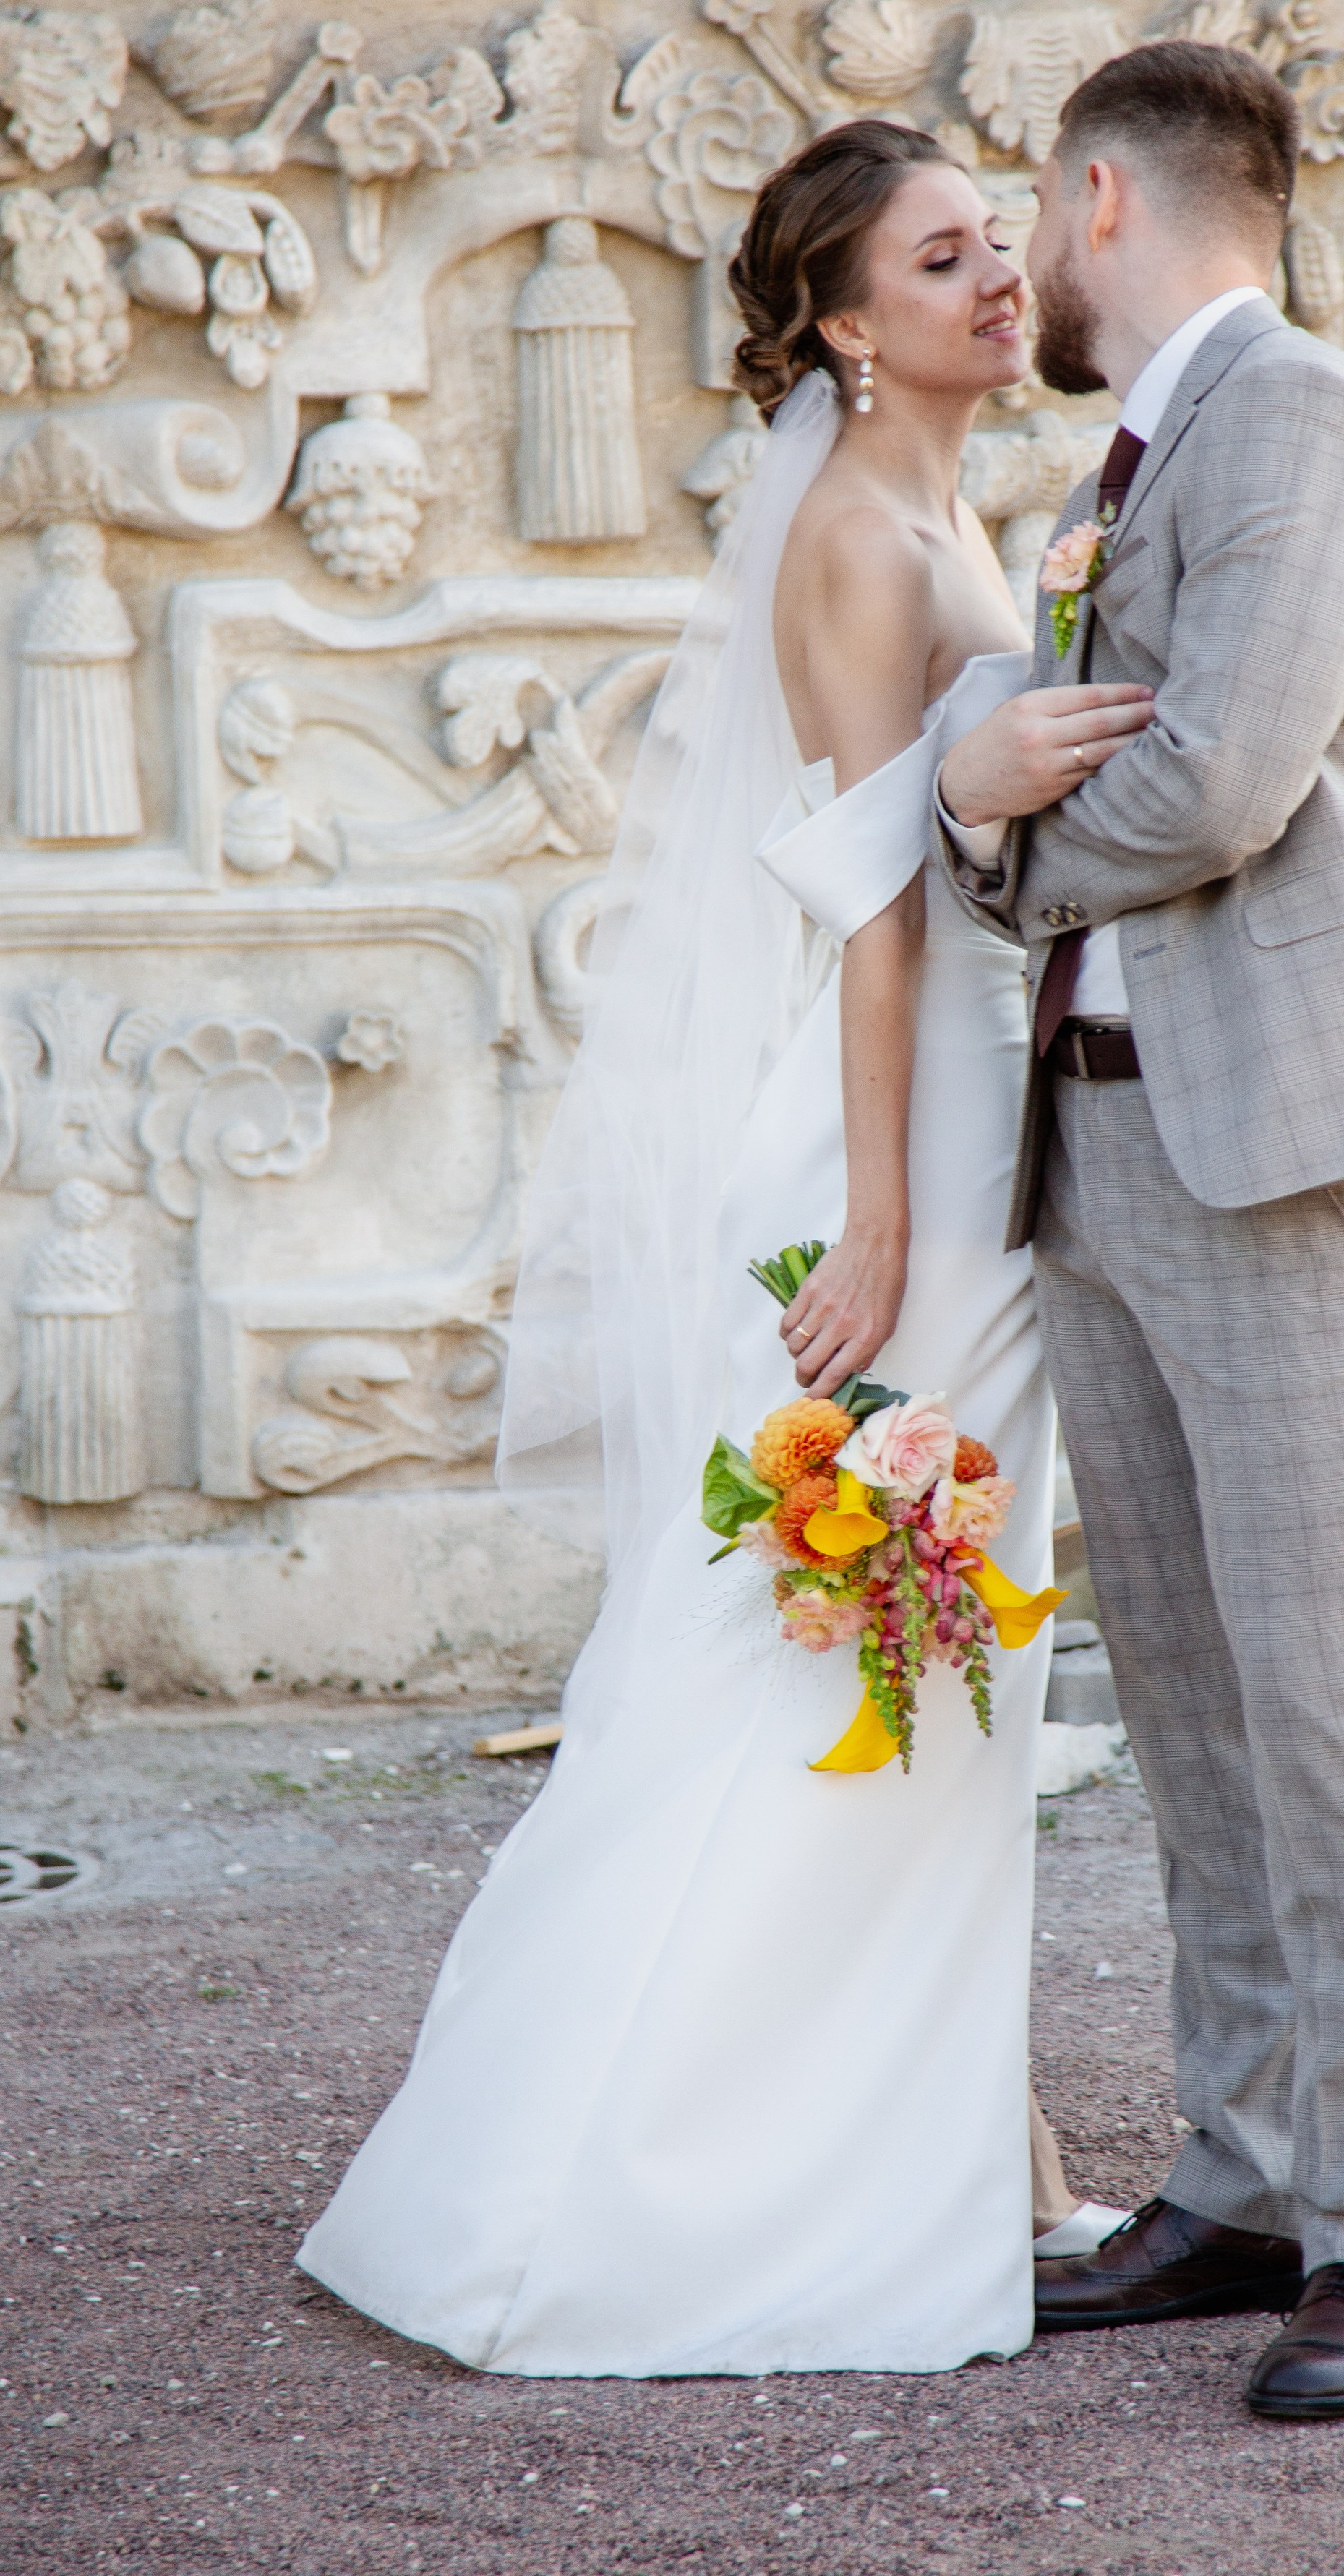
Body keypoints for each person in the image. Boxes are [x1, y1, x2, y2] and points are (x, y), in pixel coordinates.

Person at [296, 122, 1145, 2377]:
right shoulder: (866, 537)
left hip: (956, 1112)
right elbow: (873, 905)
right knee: (873, 1618)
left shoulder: (951, 508)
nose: (1001, 277)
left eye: (1001, 243)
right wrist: (876, 1219)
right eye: (945, 257)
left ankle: (998, 2149)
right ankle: (680, 2172)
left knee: (919, 1634)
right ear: (846, 324)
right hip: (910, 1142)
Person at [937, 41, 1344, 2421]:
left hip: (1288, 1146)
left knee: (1328, 1695)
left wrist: (963, 832)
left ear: (1098, 196)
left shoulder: (1307, 421)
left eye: (1025, 227)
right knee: (1181, 1695)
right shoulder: (1132, 457)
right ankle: (1244, 2172)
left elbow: (1213, 784)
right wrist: (995, 800)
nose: (1022, 273)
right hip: (1104, 1146)